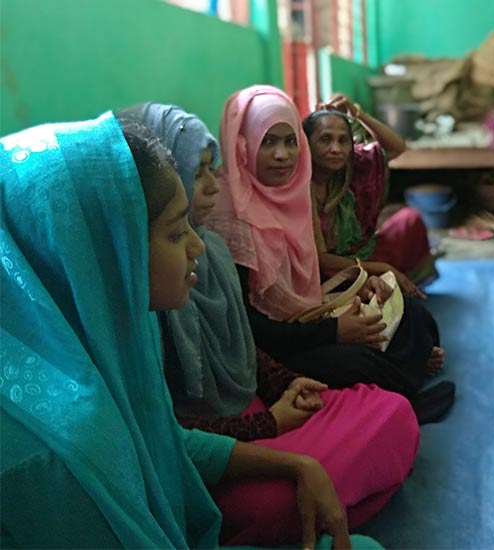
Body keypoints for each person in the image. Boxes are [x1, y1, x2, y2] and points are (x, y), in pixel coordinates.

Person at [0, 112, 382, 549]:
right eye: (176, 231)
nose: (198, 243)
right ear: (107, 252)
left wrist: (297, 463)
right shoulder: (50, 456)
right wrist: (272, 426)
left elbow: (162, 437)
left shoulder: (117, 336)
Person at [121, 103, 420, 546]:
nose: (213, 185)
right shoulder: (139, 296)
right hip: (226, 437)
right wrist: (271, 425)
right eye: (199, 171)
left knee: (392, 407)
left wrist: (285, 384)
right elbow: (169, 434)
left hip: (257, 399)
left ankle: (320, 502)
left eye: (213, 169)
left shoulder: (213, 247)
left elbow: (244, 340)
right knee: (274, 499)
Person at [206, 85, 453, 423]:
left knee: (405, 308)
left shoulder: (288, 195)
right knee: (354, 358)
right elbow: (251, 329)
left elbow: (304, 278)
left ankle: (412, 369)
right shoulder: (231, 217)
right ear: (242, 144)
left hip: (302, 311)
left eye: (289, 141)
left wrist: (355, 285)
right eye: (268, 142)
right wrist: (335, 329)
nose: (282, 155)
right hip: (267, 346)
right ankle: (408, 394)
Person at [303, 93, 437, 297]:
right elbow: (321, 260)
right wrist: (379, 268)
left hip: (361, 254)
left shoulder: (350, 168)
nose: (336, 149)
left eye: (343, 140)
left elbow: (397, 147)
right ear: (306, 144)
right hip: (330, 272)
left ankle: (401, 286)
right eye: (325, 139)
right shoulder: (301, 187)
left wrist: (358, 114)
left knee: (409, 220)